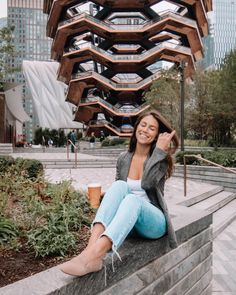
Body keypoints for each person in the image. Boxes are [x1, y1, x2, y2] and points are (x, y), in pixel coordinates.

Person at [60, 110, 179, 277]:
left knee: (132, 199)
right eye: (143, 125)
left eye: (152, 128)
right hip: (129, 221)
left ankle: (95, 254)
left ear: (157, 135)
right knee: (119, 186)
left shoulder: (160, 159)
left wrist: (159, 151)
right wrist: (106, 198)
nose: (145, 130)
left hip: (153, 222)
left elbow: (147, 183)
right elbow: (119, 191)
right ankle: (90, 249)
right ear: (136, 127)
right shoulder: (123, 158)